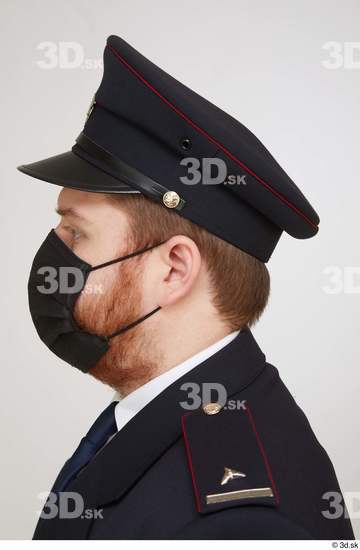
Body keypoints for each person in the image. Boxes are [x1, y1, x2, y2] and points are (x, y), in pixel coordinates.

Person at [17, 34, 354, 540]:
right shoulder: (170, 415)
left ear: (174, 270)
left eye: (76, 232)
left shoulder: (240, 521)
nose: (52, 257)